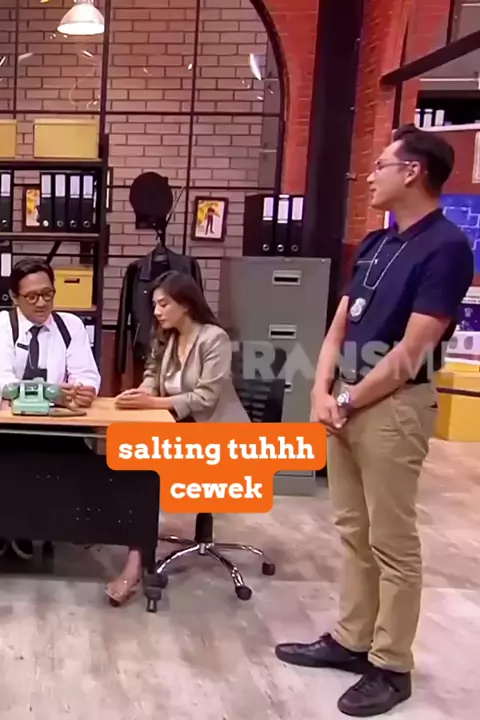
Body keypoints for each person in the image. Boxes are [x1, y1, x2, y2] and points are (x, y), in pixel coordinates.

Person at [274, 124, 474, 717]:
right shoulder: (376, 243)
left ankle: (391, 664)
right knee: (352, 530)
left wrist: (350, 398)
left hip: (394, 406)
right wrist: (320, 390)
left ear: (413, 172)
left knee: (392, 540)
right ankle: (351, 638)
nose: (370, 175)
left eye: (382, 164)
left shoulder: (446, 248)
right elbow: (340, 324)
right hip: (346, 401)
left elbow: (414, 349)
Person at [107, 270, 249, 605]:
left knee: (146, 474)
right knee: (131, 464)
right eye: (155, 305)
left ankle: (135, 565)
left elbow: (205, 398)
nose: (156, 311)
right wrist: (140, 394)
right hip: (182, 430)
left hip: (219, 438)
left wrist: (153, 403)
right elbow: (152, 375)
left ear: (185, 304)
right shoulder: (167, 336)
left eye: (164, 304)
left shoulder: (213, 339)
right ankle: (137, 549)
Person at [0, 257, 101, 561]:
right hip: (9, 429)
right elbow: (4, 384)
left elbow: (87, 374)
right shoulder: (3, 325)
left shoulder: (70, 325)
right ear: (14, 297)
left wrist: (84, 391)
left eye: (48, 294)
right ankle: (13, 530)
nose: (42, 303)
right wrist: (52, 393)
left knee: (84, 467)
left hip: (58, 426)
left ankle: (52, 526)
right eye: (32, 296)